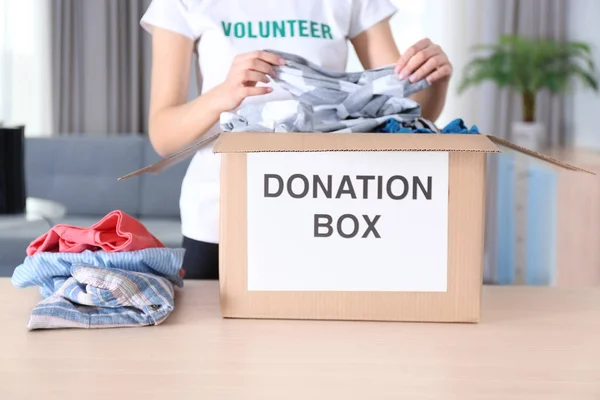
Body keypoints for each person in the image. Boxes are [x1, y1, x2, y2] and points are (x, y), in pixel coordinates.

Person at [140, 0, 453, 280]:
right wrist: (223, 94)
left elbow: (402, 110)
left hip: (324, 211)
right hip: (221, 213)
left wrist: (435, 80)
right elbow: (163, 137)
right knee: (215, 341)